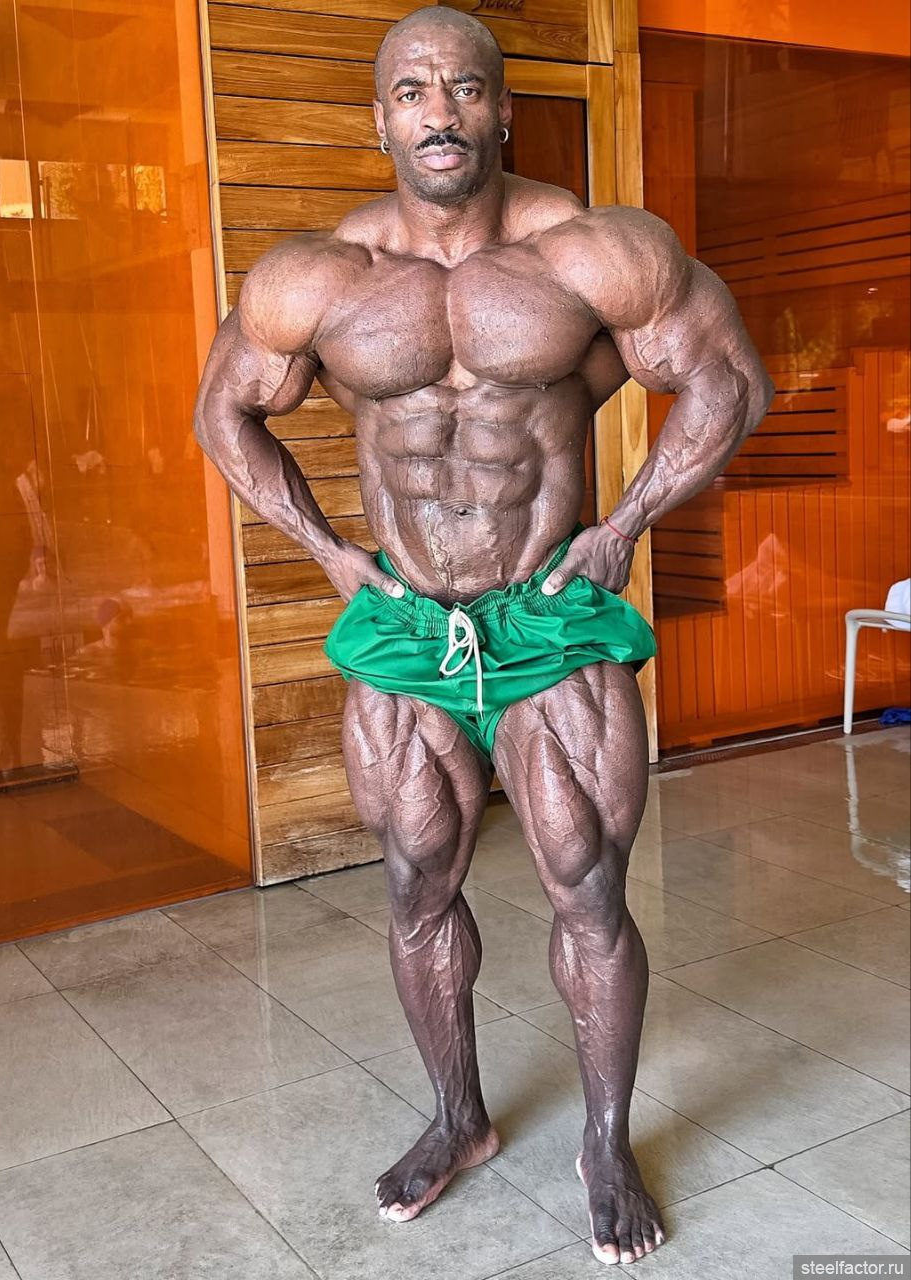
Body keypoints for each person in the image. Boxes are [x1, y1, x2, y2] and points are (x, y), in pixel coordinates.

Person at [193, 6, 773, 1265]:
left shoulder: (593, 252)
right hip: (406, 610)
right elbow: (222, 412)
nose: (438, 111)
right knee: (416, 875)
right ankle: (457, 1115)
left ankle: (606, 1141)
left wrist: (622, 526)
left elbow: (728, 379)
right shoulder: (319, 276)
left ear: (503, 109)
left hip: (547, 608)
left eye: (462, 87)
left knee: (587, 880)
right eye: (411, 91)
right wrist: (329, 551)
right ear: (380, 118)